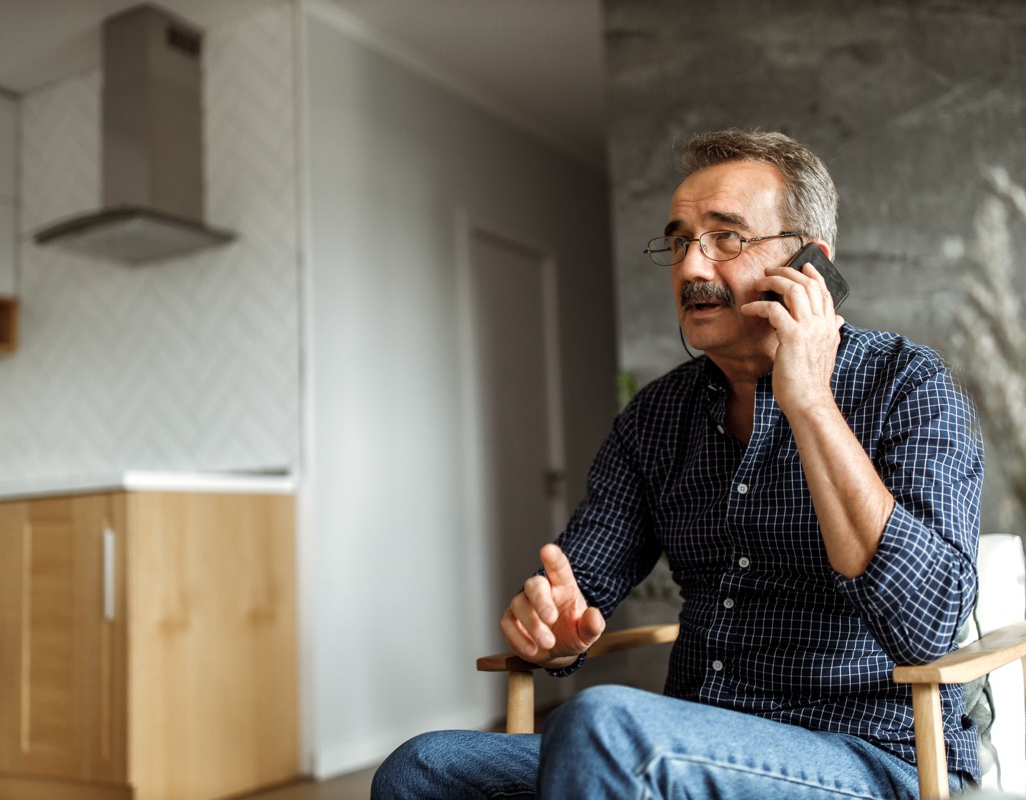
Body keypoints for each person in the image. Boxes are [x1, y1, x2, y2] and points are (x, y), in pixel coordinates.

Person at [372, 128, 983, 799]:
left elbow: (925, 626)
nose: (692, 268)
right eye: (681, 241)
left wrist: (807, 398)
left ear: (810, 263)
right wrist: (554, 626)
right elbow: (581, 588)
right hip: (694, 743)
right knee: (422, 768)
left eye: (726, 237)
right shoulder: (657, 418)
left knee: (606, 727)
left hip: (870, 756)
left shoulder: (908, 385)